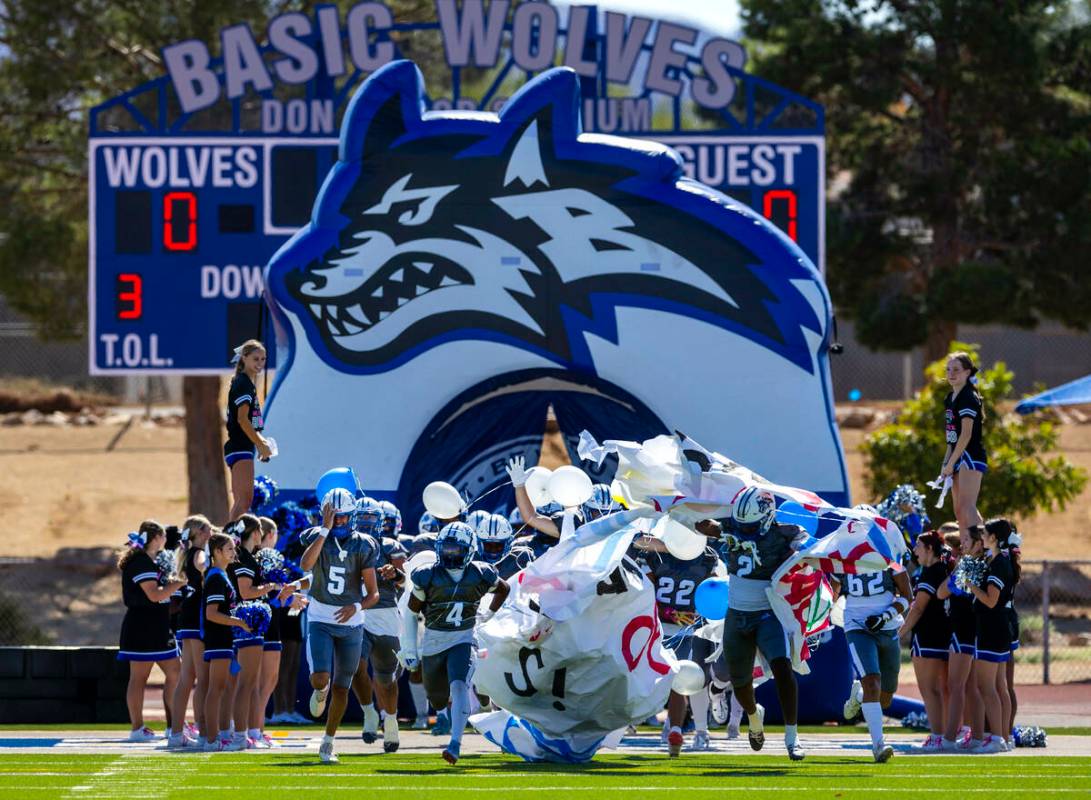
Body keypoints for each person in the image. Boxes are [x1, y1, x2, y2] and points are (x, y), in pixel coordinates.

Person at [695, 487, 808, 761]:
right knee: (741, 681)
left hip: (767, 613)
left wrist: (802, 549)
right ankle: (754, 719)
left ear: (768, 516)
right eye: (742, 525)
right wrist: (696, 518)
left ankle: (792, 739)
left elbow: (806, 545)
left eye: (751, 525)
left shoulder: (785, 533)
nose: (745, 530)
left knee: (783, 669)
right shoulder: (733, 525)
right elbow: (702, 524)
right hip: (736, 614)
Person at [400, 521, 510, 765]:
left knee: (460, 686)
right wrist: (410, 648)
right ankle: (476, 709)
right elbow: (410, 613)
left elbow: (504, 588)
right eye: (447, 549)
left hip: (463, 638)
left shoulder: (480, 572)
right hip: (433, 642)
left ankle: (455, 744)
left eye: (456, 549)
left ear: (469, 550)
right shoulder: (428, 575)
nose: (450, 554)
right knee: (438, 699)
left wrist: (488, 614)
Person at [290, 488, 380, 764]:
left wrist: (356, 606)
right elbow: (305, 564)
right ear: (326, 514)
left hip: (351, 621)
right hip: (320, 617)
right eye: (335, 516)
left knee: (343, 686)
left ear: (352, 516)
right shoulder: (315, 536)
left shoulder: (364, 544)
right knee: (321, 678)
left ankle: (328, 742)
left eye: (343, 517)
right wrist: (324, 530)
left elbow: (373, 593)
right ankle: (320, 690)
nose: (339, 521)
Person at [638, 537, 724, 755]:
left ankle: (614, 732)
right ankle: (675, 729)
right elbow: (713, 593)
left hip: (654, 626)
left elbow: (643, 592)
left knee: (640, 680)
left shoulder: (655, 554)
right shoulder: (706, 557)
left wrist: (666, 611)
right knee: (680, 682)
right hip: (684, 629)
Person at [832, 562, 912, 763]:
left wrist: (885, 616)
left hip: (888, 628)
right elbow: (831, 595)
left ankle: (859, 695)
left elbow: (907, 595)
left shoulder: (889, 556)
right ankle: (878, 745)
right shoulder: (842, 559)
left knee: (885, 698)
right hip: (857, 627)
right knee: (872, 682)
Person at [117, 520, 187, 743]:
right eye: (163, 536)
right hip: (142, 626)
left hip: (158, 627)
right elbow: (154, 595)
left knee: (176, 672)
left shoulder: (152, 561)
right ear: (156, 538)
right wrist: (179, 583)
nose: (166, 540)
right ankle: (137, 728)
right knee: (139, 678)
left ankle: (173, 724)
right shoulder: (140, 563)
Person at [352, 497, 407, 752]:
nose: (365, 524)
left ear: (379, 522)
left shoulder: (390, 546)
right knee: (354, 667)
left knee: (386, 679)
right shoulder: (346, 545)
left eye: (370, 519)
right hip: (357, 614)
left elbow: (405, 583)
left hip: (385, 614)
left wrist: (394, 574)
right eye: (361, 518)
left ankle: (391, 719)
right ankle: (369, 712)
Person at [899, 530, 952, 750]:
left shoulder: (930, 572)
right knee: (942, 689)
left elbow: (918, 607)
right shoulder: (944, 569)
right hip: (944, 635)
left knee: (929, 690)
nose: (915, 551)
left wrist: (899, 632)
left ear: (930, 549)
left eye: (919, 546)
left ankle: (938, 735)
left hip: (928, 636)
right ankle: (946, 734)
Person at [967, 522, 1017, 752]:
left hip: (992, 629)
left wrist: (970, 585)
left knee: (987, 687)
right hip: (997, 628)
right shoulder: (999, 561)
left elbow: (990, 600)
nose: (982, 537)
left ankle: (997, 738)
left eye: (985, 534)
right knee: (998, 686)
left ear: (994, 537)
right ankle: (1002, 738)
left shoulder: (999, 563)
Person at [202, 532, 252, 751]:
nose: (234, 552)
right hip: (217, 638)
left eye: (234, 548)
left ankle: (217, 736)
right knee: (216, 689)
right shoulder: (215, 577)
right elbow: (211, 614)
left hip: (224, 638)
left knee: (221, 688)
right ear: (217, 552)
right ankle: (211, 740)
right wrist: (239, 622)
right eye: (229, 549)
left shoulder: (221, 575)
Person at [168, 515, 213, 748]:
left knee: (187, 678)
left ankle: (176, 733)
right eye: (208, 529)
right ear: (201, 532)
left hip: (187, 618)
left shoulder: (186, 553)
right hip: (197, 618)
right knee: (203, 679)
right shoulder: (198, 553)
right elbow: (205, 565)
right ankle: (204, 732)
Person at [937, 524, 983, 750]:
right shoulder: (980, 563)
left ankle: (948, 738)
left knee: (956, 685)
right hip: (970, 628)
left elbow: (942, 591)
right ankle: (976, 737)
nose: (961, 545)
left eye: (966, 541)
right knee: (971, 687)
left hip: (964, 628)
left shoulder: (970, 564)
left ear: (978, 544)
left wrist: (953, 574)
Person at [942, 352, 987, 548]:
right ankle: (966, 548)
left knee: (967, 505)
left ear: (967, 372)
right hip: (957, 456)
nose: (951, 373)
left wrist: (952, 462)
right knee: (959, 510)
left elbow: (966, 434)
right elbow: (951, 437)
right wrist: (946, 462)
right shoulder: (950, 397)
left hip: (970, 456)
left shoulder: (969, 397)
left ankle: (983, 547)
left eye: (956, 370)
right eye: (949, 369)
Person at [225, 339, 273, 521]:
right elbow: (242, 420)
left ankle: (228, 542)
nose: (260, 363)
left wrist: (262, 444)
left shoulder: (243, 382)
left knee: (241, 501)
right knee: (244, 502)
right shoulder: (244, 383)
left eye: (263, 359)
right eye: (255, 359)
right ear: (244, 358)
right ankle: (228, 542)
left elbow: (249, 423)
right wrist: (260, 443)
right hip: (240, 445)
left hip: (239, 446)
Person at [476, 513, 532, 580]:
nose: (493, 550)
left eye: (498, 545)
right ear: (479, 543)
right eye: (488, 545)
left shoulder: (521, 557)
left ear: (508, 543)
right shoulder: (472, 561)